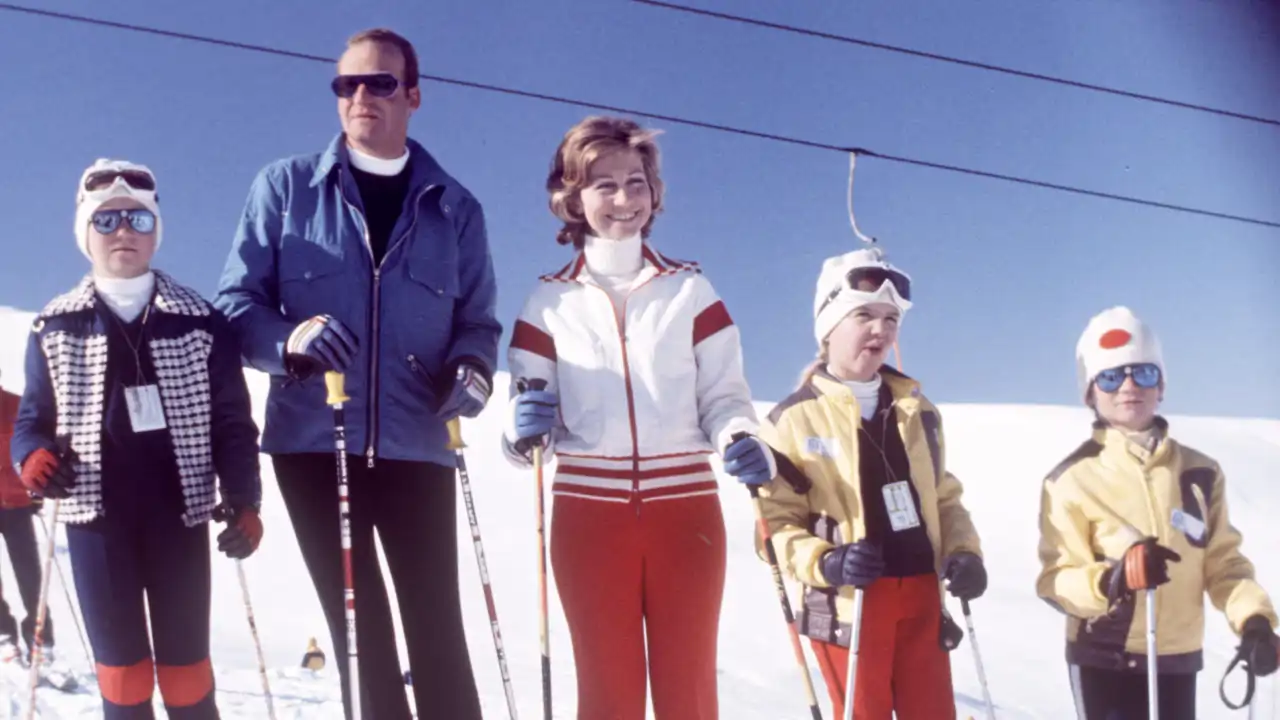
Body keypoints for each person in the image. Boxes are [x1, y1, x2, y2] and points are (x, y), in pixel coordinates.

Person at [213, 27, 501, 720]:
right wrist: (292, 339)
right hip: (316, 441)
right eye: (347, 84)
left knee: (438, 629)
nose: (361, 96)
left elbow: (480, 325)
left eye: (380, 83)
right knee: (358, 630)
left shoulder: (455, 209)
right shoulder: (284, 189)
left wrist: (473, 371)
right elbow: (235, 307)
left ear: (413, 95)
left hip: (419, 443)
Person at [502, 114, 773, 719]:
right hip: (589, 513)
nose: (623, 199)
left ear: (654, 192)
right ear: (570, 198)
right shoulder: (548, 302)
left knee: (690, 689)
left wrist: (740, 436)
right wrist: (521, 429)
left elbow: (726, 398)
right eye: (603, 184)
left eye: (636, 181)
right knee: (607, 691)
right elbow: (527, 424)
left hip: (686, 510)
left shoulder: (690, 290)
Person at [9, 158, 263, 718]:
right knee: (122, 677)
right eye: (107, 220)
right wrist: (33, 458)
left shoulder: (200, 323)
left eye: (139, 220)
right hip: (97, 521)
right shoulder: (55, 326)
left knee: (186, 673)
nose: (124, 231)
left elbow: (233, 423)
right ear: (85, 233)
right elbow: (32, 420)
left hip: (179, 514)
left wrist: (245, 500)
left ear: (155, 233)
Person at [741, 247, 986, 719]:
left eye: (891, 318)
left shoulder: (919, 411)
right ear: (828, 327)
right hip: (849, 605)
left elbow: (944, 498)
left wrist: (965, 552)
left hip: (920, 594)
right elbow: (772, 527)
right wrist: (828, 561)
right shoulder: (794, 419)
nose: (882, 329)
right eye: (865, 315)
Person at [1036, 305, 1279, 718]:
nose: (1129, 385)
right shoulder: (1070, 479)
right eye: (1111, 376)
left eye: (1143, 372)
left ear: (1161, 384)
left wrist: (1254, 619)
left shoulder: (1200, 472)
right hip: (1106, 659)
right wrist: (1114, 579)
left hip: (1176, 657)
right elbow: (1055, 582)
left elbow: (1224, 563)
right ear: (1090, 392)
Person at [0, 369, 57, 669]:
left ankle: (41, 640)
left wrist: (37, 488)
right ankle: (4, 636)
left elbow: (34, 447)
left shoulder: (17, 406)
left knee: (31, 576)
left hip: (17, 504)